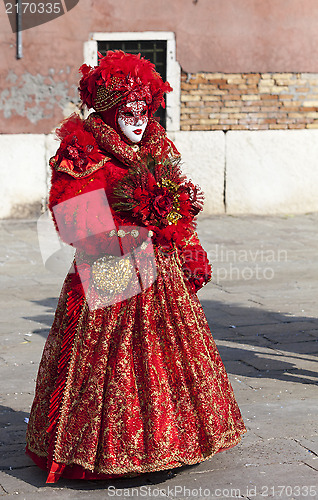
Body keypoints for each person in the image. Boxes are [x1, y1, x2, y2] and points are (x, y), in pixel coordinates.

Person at [25, 51, 246, 483]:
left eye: (144, 111)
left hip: (161, 271)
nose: (139, 121)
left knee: (167, 356)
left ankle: (174, 440)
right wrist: (131, 229)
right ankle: (102, 448)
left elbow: (176, 206)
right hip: (110, 268)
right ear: (109, 110)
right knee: (113, 363)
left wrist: (188, 246)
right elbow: (72, 219)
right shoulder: (84, 151)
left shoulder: (156, 146)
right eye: (129, 112)